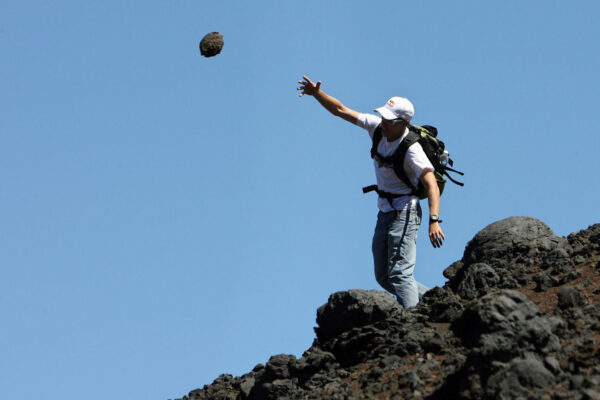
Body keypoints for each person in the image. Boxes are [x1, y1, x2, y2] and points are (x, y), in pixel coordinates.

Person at [297, 76, 445, 308]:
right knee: (384, 277)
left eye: (389, 120)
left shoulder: (412, 149)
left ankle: (413, 324)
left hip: (405, 212)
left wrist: (434, 220)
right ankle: (438, 302)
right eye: (383, 117)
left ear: (403, 123)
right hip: (384, 212)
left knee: (400, 274)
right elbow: (340, 110)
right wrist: (317, 94)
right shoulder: (377, 128)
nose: (383, 122)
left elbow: (431, 184)